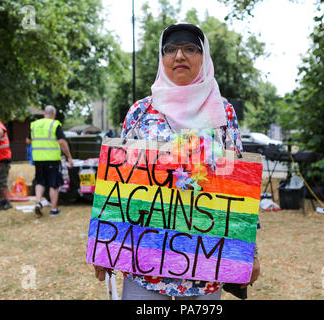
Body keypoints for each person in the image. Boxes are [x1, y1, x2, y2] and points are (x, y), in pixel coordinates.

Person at [93, 23, 261, 300]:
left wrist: (250, 251)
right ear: (162, 58)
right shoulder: (140, 112)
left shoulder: (223, 112)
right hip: (144, 262)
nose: (179, 56)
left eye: (190, 48)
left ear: (203, 56)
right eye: (170, 49)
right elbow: (117, 184)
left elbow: (240, 187)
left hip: (205, 260)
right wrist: (105, 247)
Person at [26, 105, 73, 217]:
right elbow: (62, 142)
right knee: (53, 184)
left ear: (44, 114)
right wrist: (69, 157)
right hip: (52, 158)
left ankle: (38, 202)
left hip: (38, 159)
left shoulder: (34, 124)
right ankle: (53, 209)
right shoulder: (55, 124)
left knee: (40, 181)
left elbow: (28, 140)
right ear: (54, 114)